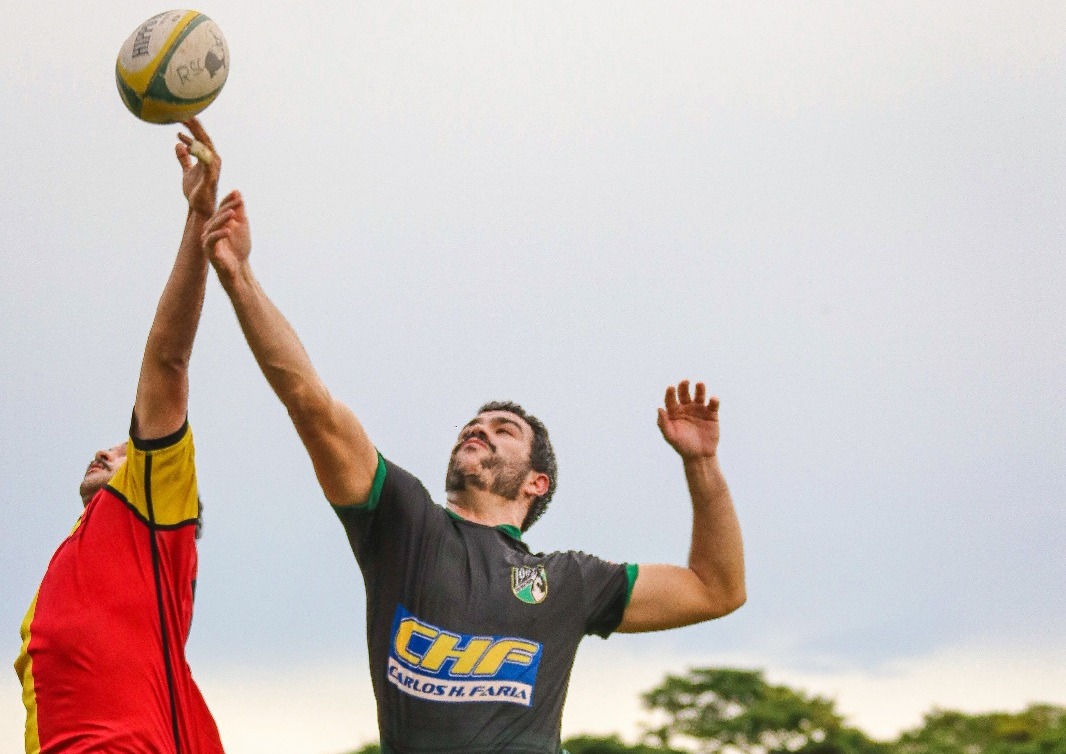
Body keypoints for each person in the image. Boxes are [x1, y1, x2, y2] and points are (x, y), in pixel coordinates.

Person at [202, 189, 746, 753]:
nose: (478, 428)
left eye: (504, 429)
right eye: (474, 422)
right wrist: (240, 277)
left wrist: (701, 464)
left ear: (538, 483)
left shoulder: (568, 582)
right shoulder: (404, 524)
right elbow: (311, 403)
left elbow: (718, 589)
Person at [15, 119, 226, 754]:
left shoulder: (151, 511)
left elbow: (168, 363)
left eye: (125, 451)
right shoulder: (76, 558)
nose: (109, 449)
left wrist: (198, 221)